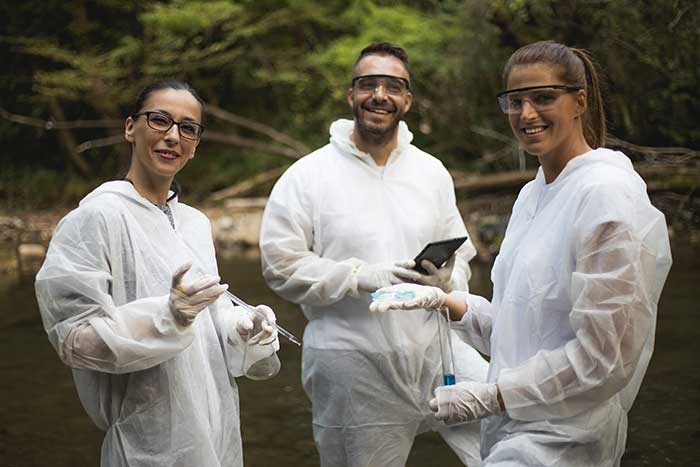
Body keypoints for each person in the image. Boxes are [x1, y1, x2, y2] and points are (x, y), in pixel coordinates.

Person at [369, 41, 673, 466]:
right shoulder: (534, 194)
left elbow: (605, 359)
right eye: (515, 101)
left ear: (579, 101)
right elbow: (525, 329)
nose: (527, 114)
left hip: (569, 439)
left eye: (544, 97)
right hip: (516, 432)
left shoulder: (607, 197)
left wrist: (494, 396)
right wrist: (450, 304)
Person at [259, 42, 488, 466]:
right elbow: (280, 265)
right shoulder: (308, 175)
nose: (380, 95)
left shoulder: (430, 171)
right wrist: (363, 276)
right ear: (351, 96)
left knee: (515, 433)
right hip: (352, 364)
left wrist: (444, 282)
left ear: (407, 100)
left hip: (438, 351)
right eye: (369, 84)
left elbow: (460, 257)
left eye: (393, 86)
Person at [35, 80, 280, 467]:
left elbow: (210, 323)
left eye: (187, 128)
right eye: (160, 120)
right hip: (145, 439)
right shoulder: (97, 217)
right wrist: (167, 318)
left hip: (216, 426)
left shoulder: (195, 223)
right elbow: (72, 338)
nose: (172, 137)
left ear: (196, 143)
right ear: (131, 128)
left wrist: (242, 328)